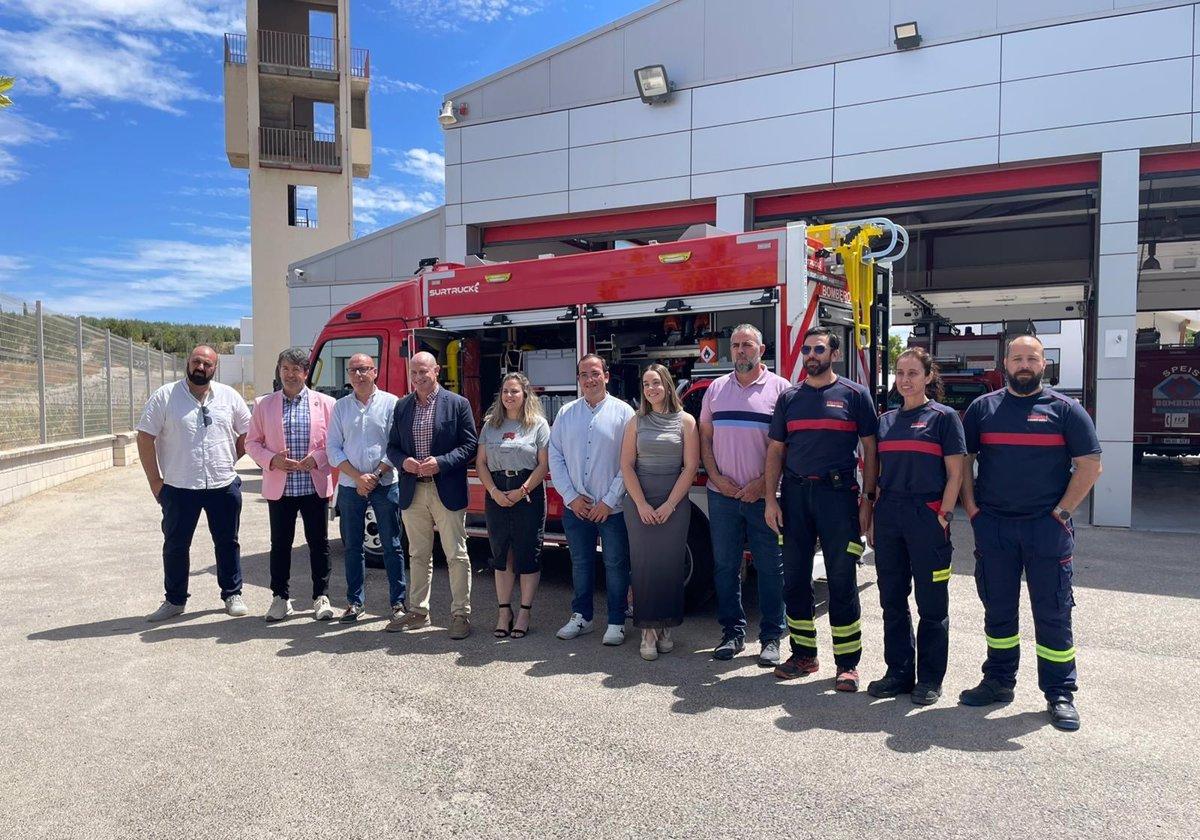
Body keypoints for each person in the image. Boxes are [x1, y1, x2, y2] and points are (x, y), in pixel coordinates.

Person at [958, 335, 1102, 731]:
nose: (1024, 364)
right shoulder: (982, 409)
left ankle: (1059, 694)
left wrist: (1061, 512)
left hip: (1046, 529)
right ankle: (998, 682)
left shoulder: (1066, 410)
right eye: (1017, 357)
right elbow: (964, 461)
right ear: (1005, 362)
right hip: (995, 527)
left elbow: (1090, 465)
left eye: (1032, 358)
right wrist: (971, 509)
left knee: (1053, 613)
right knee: (998, 611)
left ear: (1044, 365)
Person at [765, 327, 878, 691]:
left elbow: (871, 451)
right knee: (795, 579)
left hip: (838, 498)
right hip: (795, 497)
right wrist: (771, 498)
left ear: (834, 353)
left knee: (842, 580)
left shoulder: (855, 395)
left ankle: (847, 665)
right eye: (807, 350)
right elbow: (776, 451)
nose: (811, 355)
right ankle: (804, 656)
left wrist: (868, 501)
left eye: (818, 349)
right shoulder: (789, 398)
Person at [866, 348, 965, 705]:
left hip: (927, 515)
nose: (905, 379)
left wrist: (945, 514)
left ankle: (930, 679)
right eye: (900, 372)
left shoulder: (944, 417)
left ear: (927, 377)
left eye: (912, 372)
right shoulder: (886, 421)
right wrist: (875, 517)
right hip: (890, 514)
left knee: (931, 604)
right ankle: (899, 673)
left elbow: (956, 472)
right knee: (892, 599)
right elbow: (876, 473)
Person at [137, 345, 252, 621]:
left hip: (223, 485)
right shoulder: (165, 396)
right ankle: (174, 601)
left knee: (227, 542)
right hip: (179, 487)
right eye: (196, 362)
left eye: (207, 364)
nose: (201, 367)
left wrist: (229, 458)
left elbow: (249, 432)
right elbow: (144, 437)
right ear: (188, 363)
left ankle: (232, 594)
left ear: (215, 368)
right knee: (176, 545)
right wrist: (155, 481)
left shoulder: (229, 396)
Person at [699, 324, 790, 666]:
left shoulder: (781, 390)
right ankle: (732, 634)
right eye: (735, 345)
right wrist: (717, 477)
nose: (740, 351)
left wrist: (762, 487)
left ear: (761, 349)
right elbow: (704, 439)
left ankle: (771, 637)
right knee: (725, 566)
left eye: (747, 345)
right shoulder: (716, 389)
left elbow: (785, 448)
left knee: (770, 567)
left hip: (764, 497)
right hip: (722, 495)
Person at [387, 351, 478, 640]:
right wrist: (404, 462)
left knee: (456, 554)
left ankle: (460, 614)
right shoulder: (402, 406)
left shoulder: (457, 404)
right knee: (418, 554)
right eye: (413, 372)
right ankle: (418, 611)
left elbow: (470, 445)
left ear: (436, 370)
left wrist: (441, 462)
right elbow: (392, 447)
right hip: (414, 490)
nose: (417, 377)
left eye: (423, 372)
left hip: (445, 488)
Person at [246, 347, 338, 622]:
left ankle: (321, 597)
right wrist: (272, 460)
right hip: (281, 488)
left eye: (296, 369)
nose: (290, 374)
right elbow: (251, 443)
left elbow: (334, 443)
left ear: (306, 373)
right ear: (279, 371)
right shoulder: (264, 404)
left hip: (314, 485)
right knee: (280, 544)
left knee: (319, 543)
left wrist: (318, 458)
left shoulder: (326, 403)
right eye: (285, 368)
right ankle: (280, 598)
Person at [550, 354, 635, 646]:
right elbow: (555, 457)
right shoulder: (565, 414)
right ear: (578, 379)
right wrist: (571, 498)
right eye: (584, 374)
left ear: (607, 376)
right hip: (577, 509)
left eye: (595, 373)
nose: (590, 379)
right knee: (581, 563)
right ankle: (582, 617)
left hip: (613, 509)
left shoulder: (625, 414)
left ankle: (616, 621)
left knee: (615, 564)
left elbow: (629, 462)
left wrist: (609, 501)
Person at [620, 364, 699, 660]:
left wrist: (669, 505)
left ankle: (667, 627)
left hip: (674, 504)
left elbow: (690, 467)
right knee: (643, 568)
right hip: (640, 502)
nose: (650, 389)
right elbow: (626, 465)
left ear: (667, 385)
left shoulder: (687, 422)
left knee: (670, 567)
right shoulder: (635, 422)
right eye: (645, 384)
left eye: (656, 383)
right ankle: (648, 632)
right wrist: (641, 503)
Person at [326, 352, 406, 626]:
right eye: (353, 370)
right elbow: (333, 448)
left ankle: (398, 603)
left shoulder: (391, 403)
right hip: (350, 486)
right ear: (348, 376)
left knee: (392, 546)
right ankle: (354, 602)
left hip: (385, 484)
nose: (358, 375)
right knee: (353, 548)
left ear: (375, 371)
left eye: (363, 369)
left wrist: (374, 474)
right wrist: (359, 477)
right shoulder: (341, 407)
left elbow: (395, 445)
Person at [476, 373, 550, 639]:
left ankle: (524, 612)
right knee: (501, 553)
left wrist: (522, 491)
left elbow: (543, 464)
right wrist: (494, 491)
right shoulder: (490, 425)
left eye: (515, 391)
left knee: (528, 553)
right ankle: (504, 611)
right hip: (496, 492)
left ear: (525, 395)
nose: (509, 396)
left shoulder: (538, 425)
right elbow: (481, 462)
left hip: (527, 494)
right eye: (506, 391)